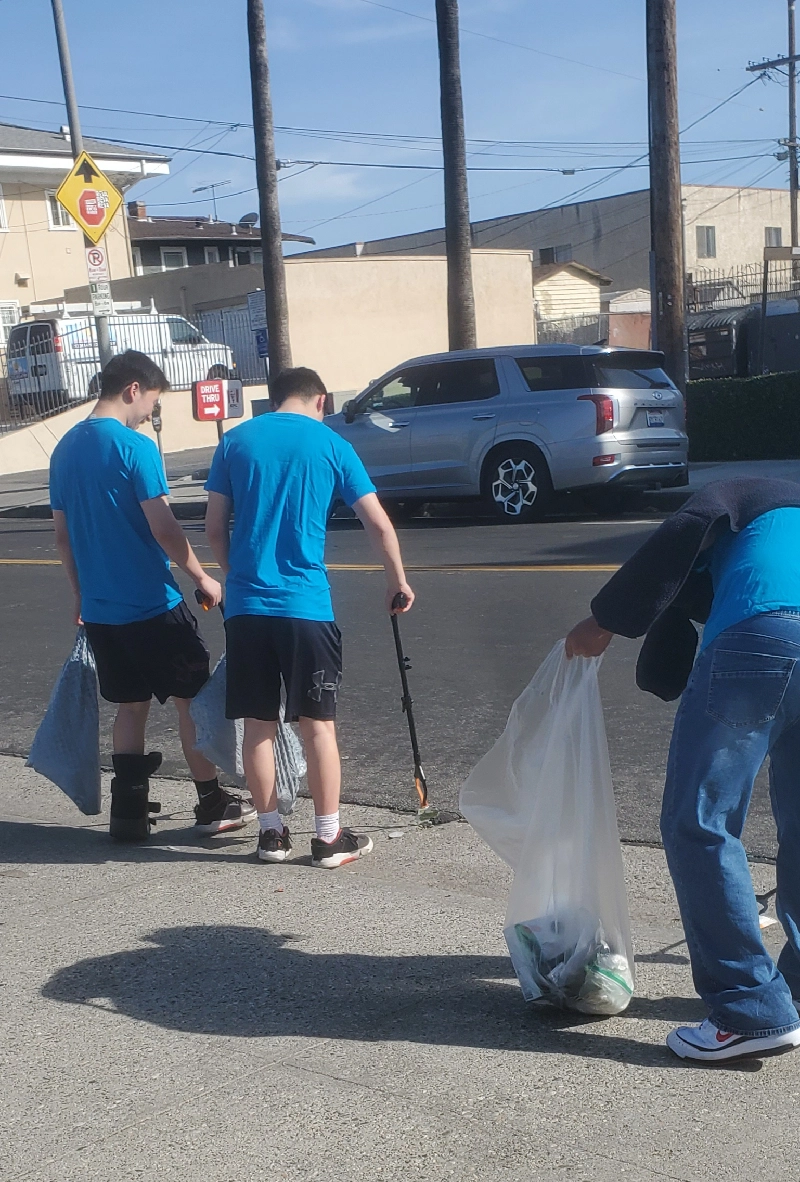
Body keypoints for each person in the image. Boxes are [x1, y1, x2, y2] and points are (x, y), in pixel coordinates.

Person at [566, 478, 800, 1063]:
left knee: (700, 821)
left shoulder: (742, 491)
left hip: (760, 628)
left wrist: (603, 622)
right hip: (767, 624)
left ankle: (749, 1009)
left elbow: (679, 537)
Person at [205, 365, 415, 869]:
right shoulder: (331, 444)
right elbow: (379, 524)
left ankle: (271, 835)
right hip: (306, 607)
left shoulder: (235, 442)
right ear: (320, 400)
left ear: (273, 399)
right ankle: (327, 837)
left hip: (249, 609)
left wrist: (236, 576)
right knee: (317, 726)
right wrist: (397, 581)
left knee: (258, 726)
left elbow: (214, 527)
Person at [50, 349, 256, 842]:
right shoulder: (133, 448)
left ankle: (128, 812)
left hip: (101, 611)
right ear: (132, 390)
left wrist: (80, 595)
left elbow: (62, 537)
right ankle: (211, 802)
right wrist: (202, 577)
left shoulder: (64, 449)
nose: (149, 416)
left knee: (130, 706)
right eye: (151, 405)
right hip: (151, 605)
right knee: (192, 701)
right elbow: (163, 528)